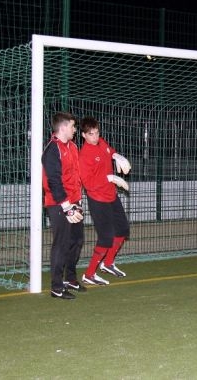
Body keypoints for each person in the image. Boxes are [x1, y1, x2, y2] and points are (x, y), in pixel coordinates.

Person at [78, 117, 132, 285]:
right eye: (91, 134)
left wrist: (116, 155)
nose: (95, 137)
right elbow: (88, 183)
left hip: (111, 195)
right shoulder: (84, 155)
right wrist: (110, 178)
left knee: (122, 230)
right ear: (83, 135)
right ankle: (89, 274)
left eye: (97, 133)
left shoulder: (100, 142)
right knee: (106, 237)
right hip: (98, 199)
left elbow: (108, 150)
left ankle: (108, 264)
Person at [42, 112, 86, 299]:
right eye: (72, 126)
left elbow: (76, 174)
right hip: (59, 203)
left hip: (74, 201)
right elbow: (54, 181)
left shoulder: (73, 146)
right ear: (63, 127)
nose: (75, 130)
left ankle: (70, 279)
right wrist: (67, 206)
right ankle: (56, 287)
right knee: (61, 244)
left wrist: (78, 200)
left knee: (76, 240)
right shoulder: (52, 150)